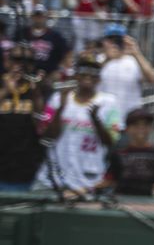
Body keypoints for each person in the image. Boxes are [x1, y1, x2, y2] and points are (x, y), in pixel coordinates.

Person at [35, 56, 121, 197]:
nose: (88, 76)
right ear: (75, 75)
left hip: (88, 181)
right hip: (54, 179)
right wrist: (61, 109)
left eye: (93, 73)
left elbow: (111, 141)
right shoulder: (57, 98)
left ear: (99, 79)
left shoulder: (109, 102)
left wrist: (95, 119)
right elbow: (47, 136)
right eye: (83, 72)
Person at [0, 43, 56, 192]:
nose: (21, 65)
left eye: (28, 61)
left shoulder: (41, 89)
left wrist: (36, 94)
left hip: (25, 168)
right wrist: (6, 91)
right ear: (7, 61)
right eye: (17, 59)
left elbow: (42, 128)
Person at [109, 107, 154, 197]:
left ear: (151, 128)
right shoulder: (118, 153)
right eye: (136, 125)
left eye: (146, 125)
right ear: (127, 129)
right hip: (123, 199)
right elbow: (110, 179)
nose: (141, 128)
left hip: (151, 201)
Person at [99, 25, 154, 118]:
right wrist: (107, 59)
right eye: (110, 40)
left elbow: (152, 79)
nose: (114, 44)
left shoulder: (134, 61)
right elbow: (90, 79)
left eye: (117, 40)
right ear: (103, 42)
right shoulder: (99, 60)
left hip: (129, 119)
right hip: (104, 118)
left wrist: (136, 53)